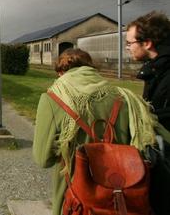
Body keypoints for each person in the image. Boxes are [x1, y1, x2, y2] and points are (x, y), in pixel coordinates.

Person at [32, 48, 170, 215]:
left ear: (61, 73)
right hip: (123, 201)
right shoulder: (126, 98)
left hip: (76, 202)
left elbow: (43, 159)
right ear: (91, 68)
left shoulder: (52, 100)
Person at [126, 11, 170, 131]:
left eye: (129, 43)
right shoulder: (156, 69)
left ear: (146, 43)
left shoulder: (164, 71)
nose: (127, 47)